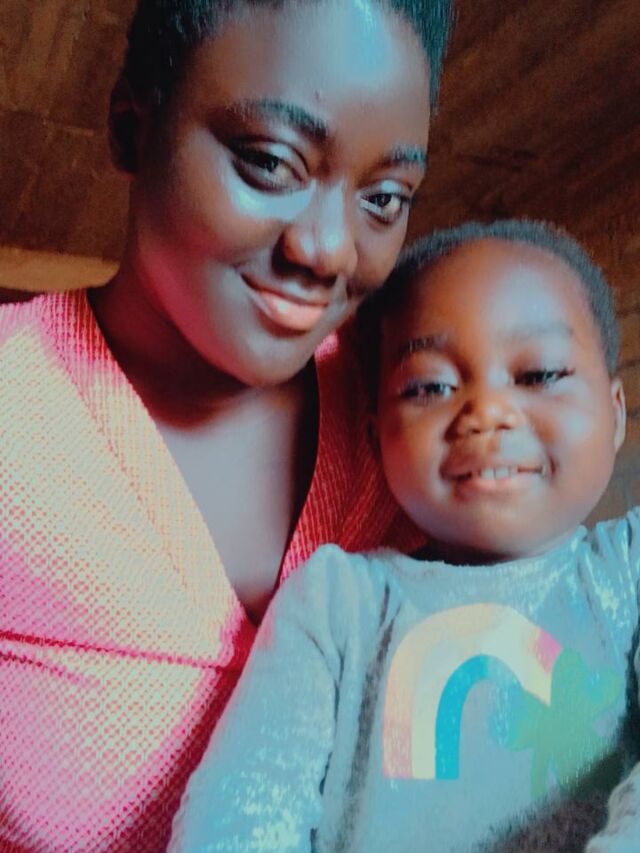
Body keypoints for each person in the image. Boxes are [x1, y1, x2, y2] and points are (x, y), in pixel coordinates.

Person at [0, 0, 453, 849]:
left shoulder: (402, 416)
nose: (328, 248)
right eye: (271, 162)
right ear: (133, 129)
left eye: (384, 197)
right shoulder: (14, 408)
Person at [169, 219, 640, 852]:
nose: (487, 413)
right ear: (377, 439)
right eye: (431, 387)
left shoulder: (630, 571)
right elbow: (243, 809)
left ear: (615, 413)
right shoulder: (337, 604)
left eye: (538, 374)